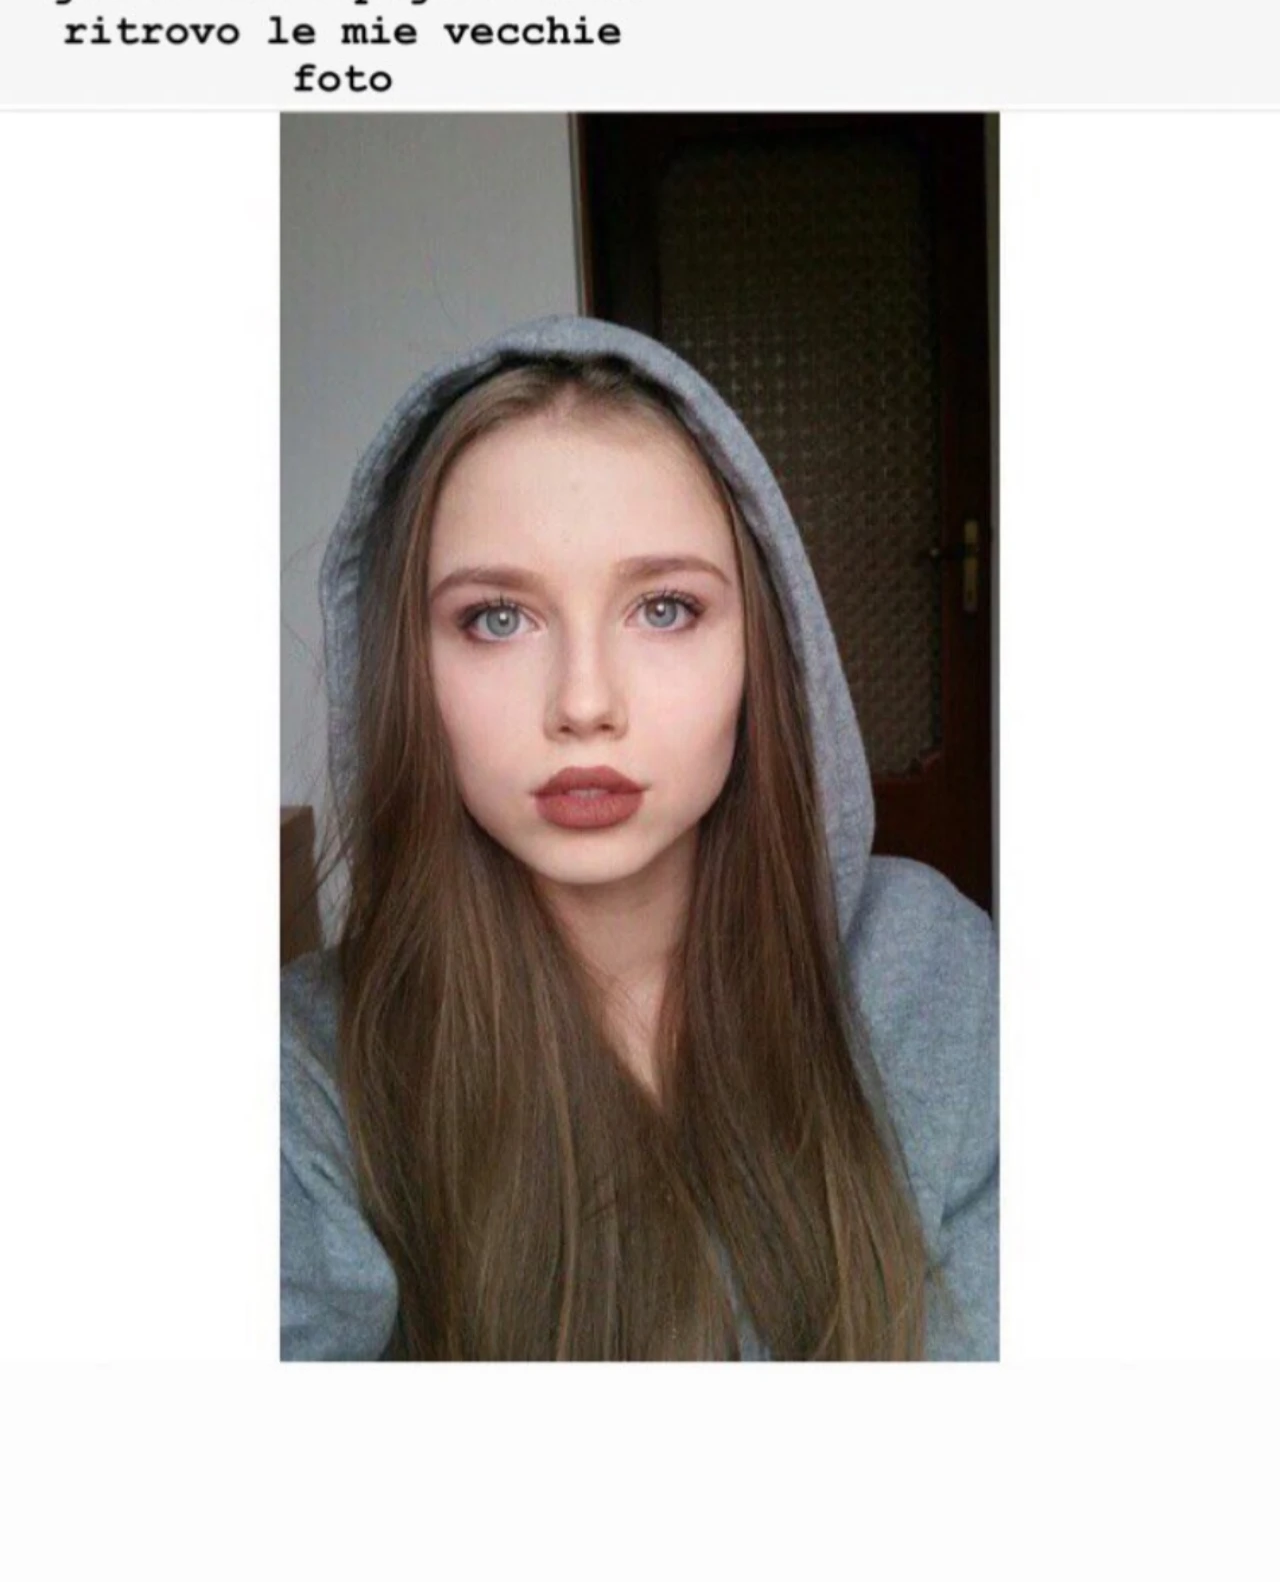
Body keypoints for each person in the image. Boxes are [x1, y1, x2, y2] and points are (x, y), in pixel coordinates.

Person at [281, 315, 998, 1361]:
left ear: (767, 646)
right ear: (407, 666)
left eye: (663, 608)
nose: (584, 702)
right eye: (495, 617)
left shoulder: (929, 969)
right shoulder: (309, 1078)